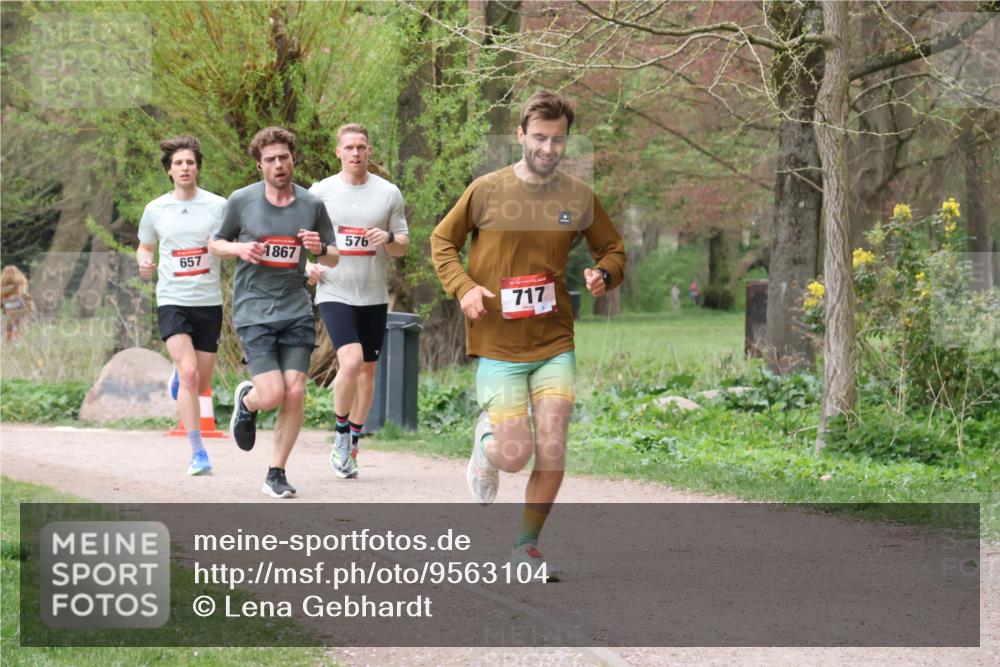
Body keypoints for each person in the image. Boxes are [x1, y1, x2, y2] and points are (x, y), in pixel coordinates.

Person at [431, 91, 626, 576]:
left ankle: (526, 547)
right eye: (539, 137)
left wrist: (605, 273)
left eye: (558, 139)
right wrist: (464, 288)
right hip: (497, 341)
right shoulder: (486, 191)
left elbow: (614, 249)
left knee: (554, 442)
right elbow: (441, 242)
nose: (548, 148)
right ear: (520, 135)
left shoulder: (578, 196)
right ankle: (486, 447)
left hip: (554, 340)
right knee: (515, 455)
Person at [209, 127, 337, 499]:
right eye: (270, 159)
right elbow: (214, 244)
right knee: (272, 394)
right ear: (259, 165)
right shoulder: (241, 201)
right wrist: (238, 250)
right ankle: (249, 401)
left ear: (293, 159)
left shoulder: (312, 205)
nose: (279, 165)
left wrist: (319, 248)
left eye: (284, 157)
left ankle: (276, 472)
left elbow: (333, 256)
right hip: (254, 309)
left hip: (296, 307)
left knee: (295, 392)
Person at [306, 123, 409, 479]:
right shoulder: (320, 192)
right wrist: (308, 266)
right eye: (348, 147)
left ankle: (354, 438)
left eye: (361, 147)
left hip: (373, 293)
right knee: (349, 362)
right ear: (339, 152)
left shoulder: (388, 193)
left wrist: (390, 236)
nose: (355, 153)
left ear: (369, 151)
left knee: (368, 370)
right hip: (334, 289)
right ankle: (338, 436)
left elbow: (403, 244)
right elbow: (302, 237)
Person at [137, 136, 226, 477]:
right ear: (169, 171)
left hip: (208, 301)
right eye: (178, 163)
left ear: (198, 167)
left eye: (190, 162)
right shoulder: (155, 209)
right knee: (190, 374)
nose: (185, 168)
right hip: (172, 299)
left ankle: (180, 375)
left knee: (199, 382)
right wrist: (145, 261)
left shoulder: (219, 206)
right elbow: (145, 246)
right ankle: (198, 452)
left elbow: (232, 240)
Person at [1, 265, 31, 342]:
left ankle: (8, 346)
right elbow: (27, 303)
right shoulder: (21, 289)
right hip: (20, 314)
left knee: (8, 333)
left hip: (8, 315)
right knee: (19, 333)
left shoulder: (3, 290)